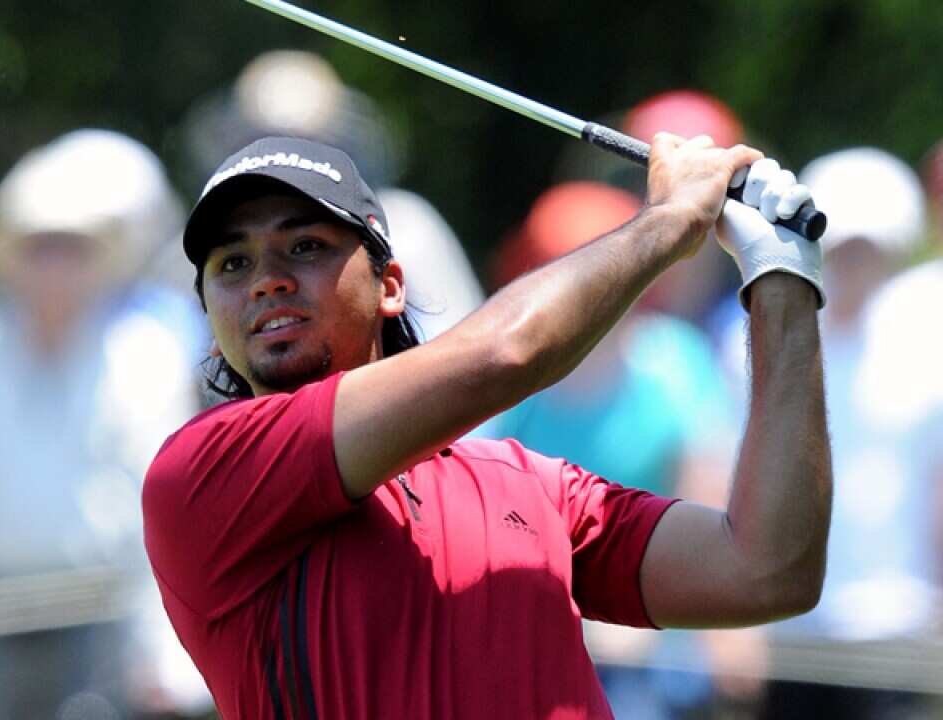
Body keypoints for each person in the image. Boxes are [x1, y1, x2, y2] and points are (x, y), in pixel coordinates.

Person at [142, 134, 831, 718]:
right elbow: (510, 351)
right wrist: (669, 221)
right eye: (233, 263)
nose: (266, 279)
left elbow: (767, 571)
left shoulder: (530, 484)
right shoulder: (204, 475)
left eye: (306, 247)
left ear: (389, 286)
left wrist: (781, 280)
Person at [0, 129, 211, 720]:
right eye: (40, 246)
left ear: (96, 258)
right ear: (11, 253)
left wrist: (165, 650)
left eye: (72, 247)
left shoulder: (145, 356)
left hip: (101, 623)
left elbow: (163, 507)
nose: (55, 265)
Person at [491, 181, 764, 718]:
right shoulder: (508, 390)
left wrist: (723, 624)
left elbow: (712, 502)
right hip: (545, 635)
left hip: (662, 639)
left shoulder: (675, 363)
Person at [711, 147, 940, 719]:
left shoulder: (926, 345)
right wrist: (722, 615)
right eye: (843, 250)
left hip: (897, 627)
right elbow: (722, 472)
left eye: (870, 252)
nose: (855, 267)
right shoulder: (750, 338)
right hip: (782, 625)